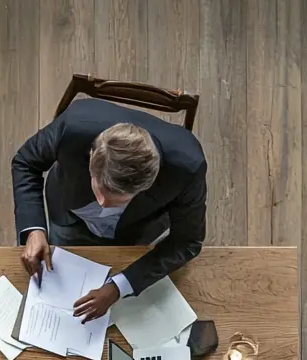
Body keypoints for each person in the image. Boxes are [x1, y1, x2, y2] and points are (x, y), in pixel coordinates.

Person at [11, 97, 207, 322]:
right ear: (92, 156)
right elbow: (26, 162)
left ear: (148, 185)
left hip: (133, 232)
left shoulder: (188, 168)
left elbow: (187, 242)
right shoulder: (75, 125)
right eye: (99, 189)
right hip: (67, 215)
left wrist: (119, 286)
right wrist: (34, 229)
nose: (102, 204)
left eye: (118, 200)